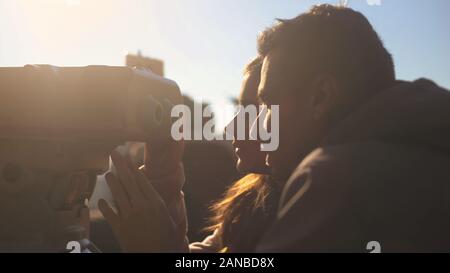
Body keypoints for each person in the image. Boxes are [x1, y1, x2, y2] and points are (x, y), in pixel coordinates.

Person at [252, 4, 450, 252]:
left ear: (321, 97)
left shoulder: (331, 179)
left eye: (270, 104)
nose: (257, 129)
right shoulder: (432, 153)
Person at [98, 57, 281, 252]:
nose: (230, 128)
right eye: (240, 110)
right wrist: (163, 176)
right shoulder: (250, 198)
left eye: (254, 110)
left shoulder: (302, 215)